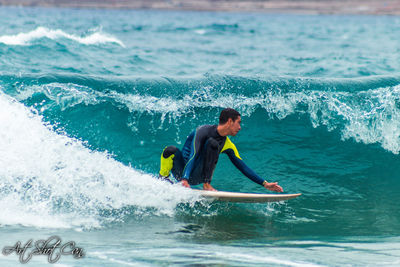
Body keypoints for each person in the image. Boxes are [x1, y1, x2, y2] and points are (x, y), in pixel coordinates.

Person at [158, 108, 283, 192]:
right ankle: (163, 179)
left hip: (197, 175)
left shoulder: (227, 144)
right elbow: (193, 155)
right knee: (170, 150)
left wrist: (264, 184)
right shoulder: (202, 131)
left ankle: (206, 184)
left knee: (213, 143)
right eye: (238, 123)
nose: (240, 127)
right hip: (183, 171)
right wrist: (184, 179)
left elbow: (242, 166)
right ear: (230, 121)